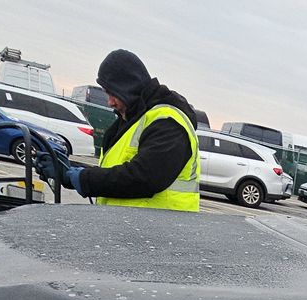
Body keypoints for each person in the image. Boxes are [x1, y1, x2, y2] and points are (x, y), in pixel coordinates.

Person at [37, 49, 200, 210]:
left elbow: (144, 177)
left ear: (127, 87)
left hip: (161, 225)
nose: (110, 102)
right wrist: (67, 168)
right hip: (131, 223)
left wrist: (79, 178)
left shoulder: (168, 122)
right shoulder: (131, 120)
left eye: (113, 94)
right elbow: (113, 171)